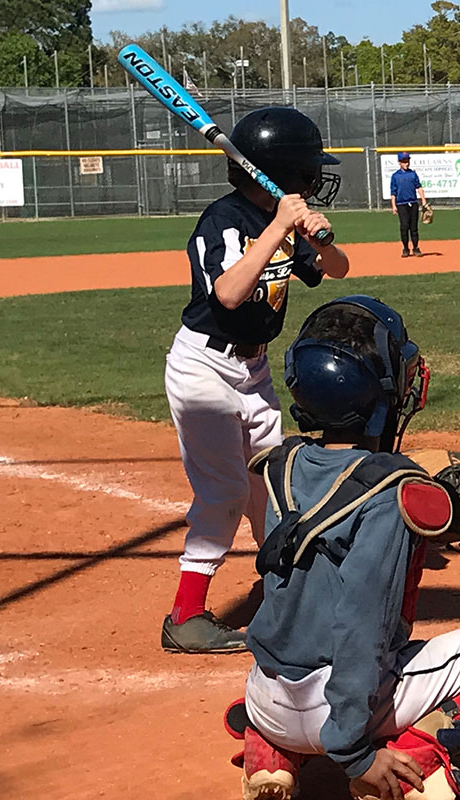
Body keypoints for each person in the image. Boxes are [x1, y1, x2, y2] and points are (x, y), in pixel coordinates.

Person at [226, 295, 460, 800]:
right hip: (337, 712)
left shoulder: (280, 464)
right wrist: (356, 754)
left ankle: (270, 753)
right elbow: (362, 623)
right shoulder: (391, 493)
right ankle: (411, 767)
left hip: (266, 698)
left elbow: (342, 479)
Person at [161, 106, 348, 655]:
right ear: (285, 173)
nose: (317, 178)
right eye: (309, 169)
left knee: (273, 488)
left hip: (254, 369)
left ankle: (282, 598)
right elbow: (228, 294)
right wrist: (278, 228)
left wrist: (316, 236)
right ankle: (186, 615)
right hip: (204, 369)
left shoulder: (286, 223)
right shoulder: (222, 220)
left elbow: (337, 269)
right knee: (223, 491)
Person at [390, 153, 429, 257]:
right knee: (404, 226)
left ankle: (416, 248)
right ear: (399, 162)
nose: (406, 163)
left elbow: (419, 187)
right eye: (404, 161)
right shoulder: (395, 176)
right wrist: (393, 206)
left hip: (413, 203)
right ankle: (406, 248)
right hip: (401, 204)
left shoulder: (413, 174)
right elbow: (393, 193)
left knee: (414, 227)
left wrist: (424, 201)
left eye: (407, 161)